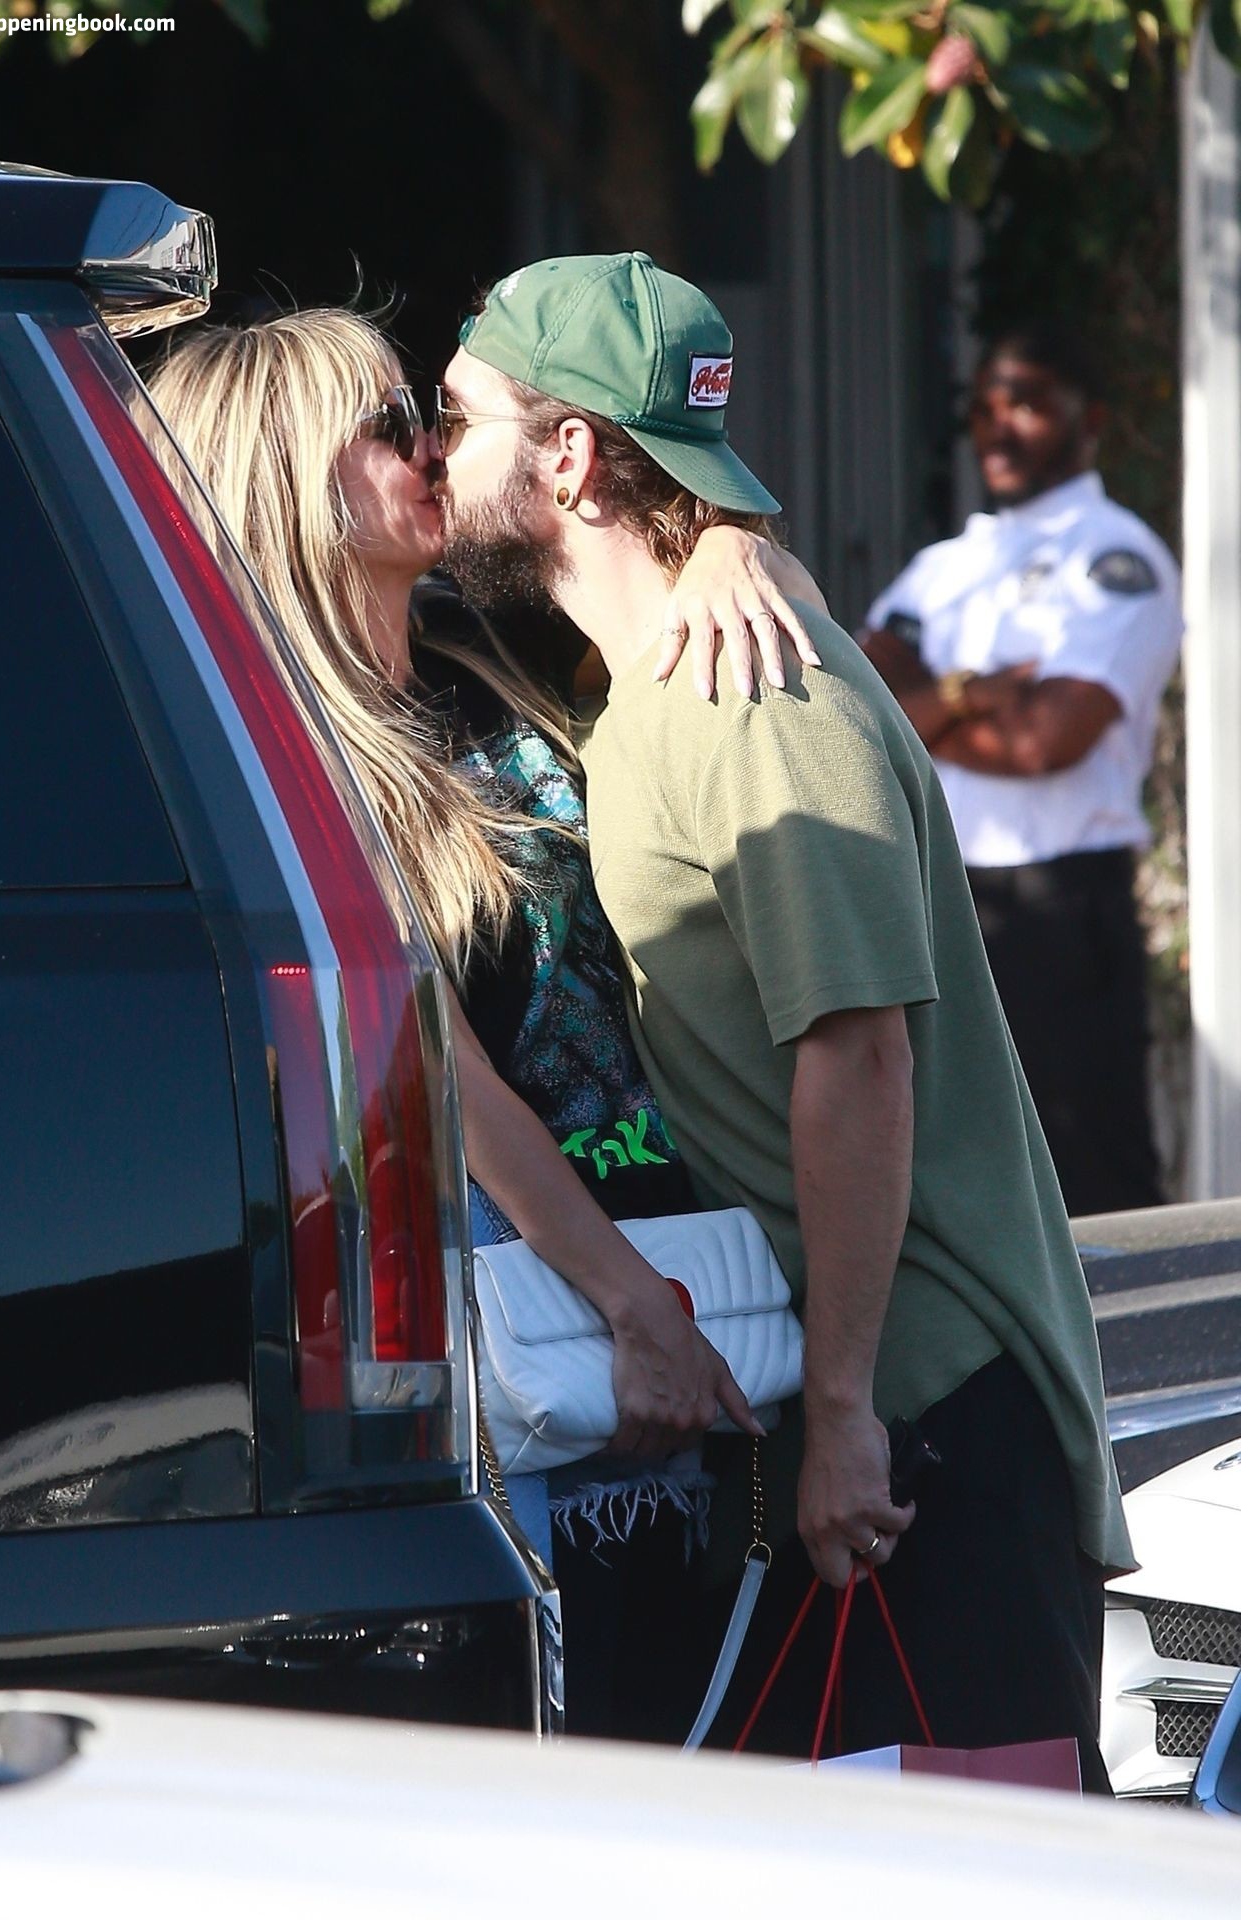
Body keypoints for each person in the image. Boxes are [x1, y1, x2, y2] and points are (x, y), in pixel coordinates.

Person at [435, 252, 1135, 1788]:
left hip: (927, 1416)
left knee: (984, 1877)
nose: (433, 451)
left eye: (459, 416)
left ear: (569, 456)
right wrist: (740, 544)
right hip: (851, 1416)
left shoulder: (752, 694)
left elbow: (859, 1056)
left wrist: (844, 1412)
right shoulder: (663, 669)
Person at [147, 307, 821, 1741]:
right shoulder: (287, 757)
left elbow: (678, 582)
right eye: (389, 424)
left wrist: (729, 544)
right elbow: (438, 1074)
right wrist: (633, 1309)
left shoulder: (488, 649)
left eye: (432, 416)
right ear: (284, 474)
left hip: (691, 1270)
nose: (432, 447)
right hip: (549, 1335)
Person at [860, 326, 1182, 1217]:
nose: (998, 428)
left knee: (1091, 1183)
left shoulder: (1114, 560)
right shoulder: (943, 568)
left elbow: (1045, 742)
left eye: (1030, 405)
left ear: (1092, 421)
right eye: (985, 408)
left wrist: (923, 702)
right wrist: (970, 694)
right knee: (945, 1173)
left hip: (1058, 910)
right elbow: (860, 711)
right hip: (940, 899)